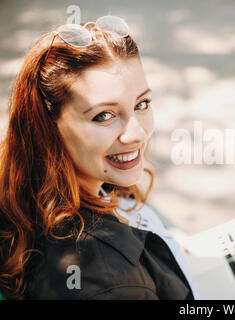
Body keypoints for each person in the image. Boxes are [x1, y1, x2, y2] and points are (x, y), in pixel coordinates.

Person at [0, 16, 195, 300]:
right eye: (103, 115)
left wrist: (169, 254)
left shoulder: (28, 183)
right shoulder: (108, 281)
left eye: (141, 104)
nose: (137, 134)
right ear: (48, 128)